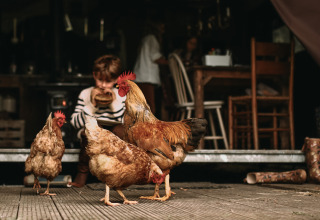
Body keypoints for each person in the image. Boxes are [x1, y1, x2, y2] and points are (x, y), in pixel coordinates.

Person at [68, 54, 126, 188]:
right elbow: (75, 123)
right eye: (100, 80)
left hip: (113, 132)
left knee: (121, 131)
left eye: (108, 82)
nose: (103, 85)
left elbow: (122, 119)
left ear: (117, 79)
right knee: (88, 132)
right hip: (93, 131)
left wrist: (113, 102)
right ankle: (82, 173)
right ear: (94, 75)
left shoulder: (120, 95)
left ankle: (118, 174)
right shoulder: (85, 94)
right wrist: (92, 105)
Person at [133, 18, 168, 115]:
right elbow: (156, 57)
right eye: (162, 28)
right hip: (146, 77)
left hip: (141, 76)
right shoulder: (152, 39)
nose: (163, 30)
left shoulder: (145, 39)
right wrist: (171, 62)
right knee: (150, 106)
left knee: (143, 106)